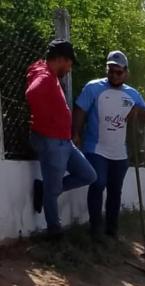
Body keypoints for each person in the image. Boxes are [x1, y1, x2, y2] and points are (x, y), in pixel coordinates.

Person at [73, 51, 145, 239]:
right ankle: (95, 229)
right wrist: (75, 133)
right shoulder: (93, 88)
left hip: (119, 152)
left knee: (115, 190)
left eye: (118, 72)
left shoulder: (132, 93)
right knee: (98, 183)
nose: (114, 75)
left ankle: (112, 230)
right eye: (111, 71)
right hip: (96, 148)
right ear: (107, 70)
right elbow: (80, 110)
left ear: (126, 72)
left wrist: (137, 110)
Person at [25, 39, 97, 237]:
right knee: (53, 190)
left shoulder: (48, 73)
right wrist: (46, 122)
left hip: (63, 141)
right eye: (70, 63)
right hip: (52, 141)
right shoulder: (45, 76)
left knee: (89, 175)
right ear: (62, 59)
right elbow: (32, 93)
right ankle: (54, 233)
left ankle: (47, 189)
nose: (70, 68)